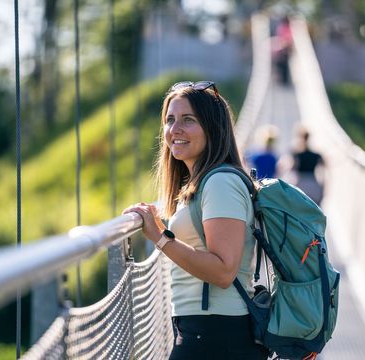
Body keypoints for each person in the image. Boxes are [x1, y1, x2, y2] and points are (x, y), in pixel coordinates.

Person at [123, 81, 268, 360]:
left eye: (188, 120)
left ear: (212, 128)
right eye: (169, 120)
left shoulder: (221, 183)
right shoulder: (200, 185)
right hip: (203, 332)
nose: (174, 130)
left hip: (217, 335)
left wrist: (160, 237)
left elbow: (224, 272)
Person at [281, 126, 325, 205]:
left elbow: (292, 168)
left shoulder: (296, 154)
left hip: (300, 183)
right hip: (313, 183)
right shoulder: (316, 155)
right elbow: (324, 168)